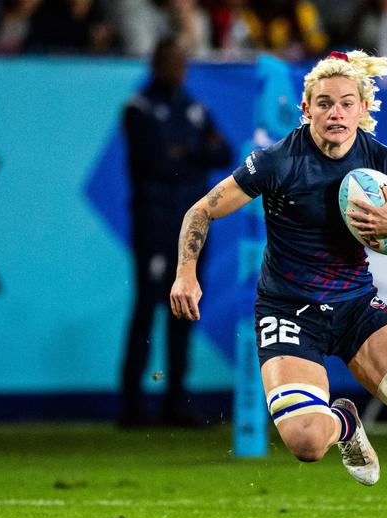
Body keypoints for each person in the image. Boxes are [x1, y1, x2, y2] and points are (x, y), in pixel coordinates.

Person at [169, 50, 387, 518]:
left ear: (364, 108)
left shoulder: (386, 163)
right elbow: (201, 210)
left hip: (356, 308)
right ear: (306, 108)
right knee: (305, 443)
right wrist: (186, 272)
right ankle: (344, 419)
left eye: (347, 103)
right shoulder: (279, 161)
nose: (336, 113)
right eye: (324, 104)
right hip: (288, 310)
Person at [120, 37, 233, 427]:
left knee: (184, 306)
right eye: (171, 62)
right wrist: (190, 152)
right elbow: (153, 160)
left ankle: (175, 400)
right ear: (156, 65)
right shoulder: (140, 108)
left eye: (182, 62)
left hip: (192, 224)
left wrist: (184, 153)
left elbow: (224, 153)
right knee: (147, 306)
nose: (178, 70)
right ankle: (132, 402)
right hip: (155, 220)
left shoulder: (194, 108)